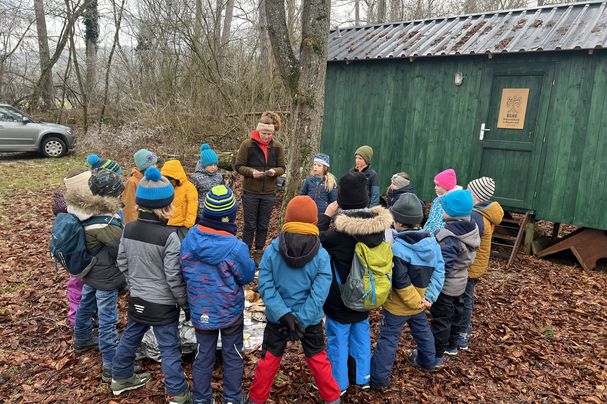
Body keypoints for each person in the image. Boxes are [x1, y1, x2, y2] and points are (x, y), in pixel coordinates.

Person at [247, 196, 341, 404]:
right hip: (311, 319)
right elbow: (320, 291)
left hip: (277, 319)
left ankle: (256, 399)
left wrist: (284, 314)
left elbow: (265, 285)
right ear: (314, 221)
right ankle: (333, 399)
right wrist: (302, 319)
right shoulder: (322, 255)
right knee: (318, 360)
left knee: (268, 361)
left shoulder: (272, 250)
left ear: (287, 218)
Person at [111, 167, 191, 403]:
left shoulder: (129, 228)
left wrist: (134, 284)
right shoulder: (170, 237)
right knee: (169, 347)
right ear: (166, 206)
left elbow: (122, 262)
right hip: (163, 304)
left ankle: (120, 377)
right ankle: (177, 393)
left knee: (130, 337)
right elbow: (174, 277)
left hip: (138, 298)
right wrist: (184, 303)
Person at [318, 172, 393, 394]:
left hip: (340, 301)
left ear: (340, 201)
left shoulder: (336, 236)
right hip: (368, 296)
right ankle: (363, 377)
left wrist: (325, 215)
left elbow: (312, 241)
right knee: (361, 334)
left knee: (337, 340)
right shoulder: (380, 231)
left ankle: (338, 383)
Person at [180, 185, 255, 404]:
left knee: (203, 354)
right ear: (230, 217)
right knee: (232, 355)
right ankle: (232, 398)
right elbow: (247, 275)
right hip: (230, 311)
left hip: (200, 309)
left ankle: (201, 399)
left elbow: (182, 268)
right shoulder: (235, 247)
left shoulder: (190, 238)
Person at [370, 194, 444, 388]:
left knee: (388, 339)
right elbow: (440, 271)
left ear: (399, 223)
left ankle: (378, 380)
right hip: (420, 302)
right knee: (423, 333)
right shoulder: (433, 243)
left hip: (398, 305)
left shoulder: (397, 248)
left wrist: (416, 301)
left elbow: (400, 281)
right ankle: (428, 362)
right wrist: (428, 297)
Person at [67, 168, 126, 382]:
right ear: (110, 195)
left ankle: (81, 339)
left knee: (85, 305)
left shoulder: (83, 209)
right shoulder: (104, 220)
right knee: (108, 318)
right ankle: (111, 364)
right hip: (105, 275)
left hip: (90, 269)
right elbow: (120, 249)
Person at [430, 189, 480, 367]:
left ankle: (436, 354)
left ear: (452, 212)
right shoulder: (471, 228)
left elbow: (444, 266)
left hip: (446, 285)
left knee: (442, 319)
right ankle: (452, 345)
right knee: (456, 315)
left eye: (444, 208)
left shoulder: (448, 237)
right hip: (462, 280)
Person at [458, 177, 504, 350]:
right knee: (466, 297)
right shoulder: (485, 212)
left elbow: (466, 241)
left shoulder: (476, 216)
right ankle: (465, 327)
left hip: (470, 265)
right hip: (476, 263)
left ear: (475, 195)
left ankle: (463, 331)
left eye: (469, 191)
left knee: (464, 298)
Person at [234, 111, 286, 263]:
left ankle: (258, 252)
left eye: (269, 133)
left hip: (269, 192)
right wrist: (251, 172)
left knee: (263, 225)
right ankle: (244, 251)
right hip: (250, 191)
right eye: (263, 133)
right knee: (250, 224)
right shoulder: (247, 144)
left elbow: (282, 167)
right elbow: (238, 166)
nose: (266, 136)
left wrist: (273, 172)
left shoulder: (278, 147)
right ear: (258, 131)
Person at [52, 167, 89, 326]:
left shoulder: (65, 208)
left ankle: (78, 317)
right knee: (81, 288)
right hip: (83, 255)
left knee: (76, 286)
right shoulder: (81, 209)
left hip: (71, 256)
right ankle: (78, 320)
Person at [161, 159, 199, 239]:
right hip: (168, 223)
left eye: (170, 180)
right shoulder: (165, 187)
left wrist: (189, 223)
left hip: (182, 226)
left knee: (182, 245)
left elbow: (192, 206)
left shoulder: (189, 187)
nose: (169, 182)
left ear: (176, 178)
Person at [122, 148, 158, 224]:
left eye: (155, 164)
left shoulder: (151, 179)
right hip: (139, 224)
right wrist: (133, 226)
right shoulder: (132, 182)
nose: (155, 167)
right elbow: (129, 207)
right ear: (144, 167)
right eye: (153, 165)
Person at [190, 143, 224, 223]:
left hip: (217, 210)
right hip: (202, 212)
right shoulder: (196, 178)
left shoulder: (219, 176)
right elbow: (192, 197)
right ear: (204, 165)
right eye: (210, 165)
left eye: (215, 165)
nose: (213, 167)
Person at [299, 153, 337, 220]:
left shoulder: (330, 182)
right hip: (308, 213)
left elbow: (334, 201)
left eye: (319, 165)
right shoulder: (309, 180)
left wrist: (333, 217)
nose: (315, 167)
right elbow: (302, 196)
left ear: (325, 168)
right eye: (315, 164)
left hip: (323, 215)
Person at [423, 168, 459, 235]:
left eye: (438, 185)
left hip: (439, 239)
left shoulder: (452, 203)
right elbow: (431, 219)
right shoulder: (437, 200)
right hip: (427, 235)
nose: (435, 187)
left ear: (446, 186)